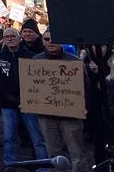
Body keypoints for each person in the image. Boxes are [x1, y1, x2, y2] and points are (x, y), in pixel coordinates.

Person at [0, 27, 47, 166]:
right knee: (9, 137)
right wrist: (7, 97)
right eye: (6, 36)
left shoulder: (31, 56)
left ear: (19, 38)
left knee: (37, 137)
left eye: (12, 36)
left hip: (29, 102)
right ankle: (10, 163)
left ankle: (43, 165)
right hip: (7, 103)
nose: (9, 38)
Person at [33, 29, 85, 171]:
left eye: (54, 39)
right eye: (47, 39)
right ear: (43, 41)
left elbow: (86, 87)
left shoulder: (74, 61)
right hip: (47, 116)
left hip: (71, 115)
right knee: (53, 154)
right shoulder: (35, 61)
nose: (50, 42)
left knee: (76, 152)